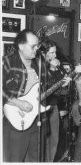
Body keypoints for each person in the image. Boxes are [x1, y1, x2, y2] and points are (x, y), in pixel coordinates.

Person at [2, 29, 44, 162]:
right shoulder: (7, 62)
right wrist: (17, 103)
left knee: (36, 159)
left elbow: (45, 90)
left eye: (38, 46)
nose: (36, 49)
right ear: (20, 45)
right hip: (15, 119)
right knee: (16, 159)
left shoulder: (39, 64)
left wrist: (62, 83)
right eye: (33, 46)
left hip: (36, 119)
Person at [39, 39, 71, 161]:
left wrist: (65, 82)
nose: (55, 56)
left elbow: (60, 90)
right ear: (43, 53)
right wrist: (51, 69)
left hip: (53, 105)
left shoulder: (56, 68)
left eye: (55, 52)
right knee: (41, 141)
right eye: (51, 53)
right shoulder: (38, 66)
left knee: (54, 139)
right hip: (39, 107)